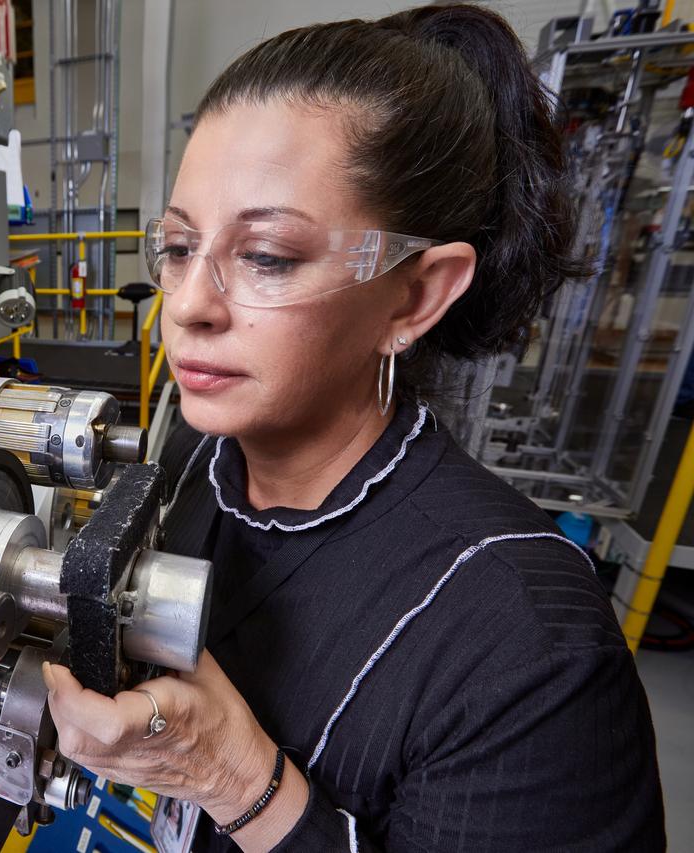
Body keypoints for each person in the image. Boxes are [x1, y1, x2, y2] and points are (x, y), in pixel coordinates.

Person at [40, 5, 665, 851]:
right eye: (181, 246)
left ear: (415, 294)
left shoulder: (530, 652)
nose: (187, 305)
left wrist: (237, 779)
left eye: (266, 257)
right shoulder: (194, 453)